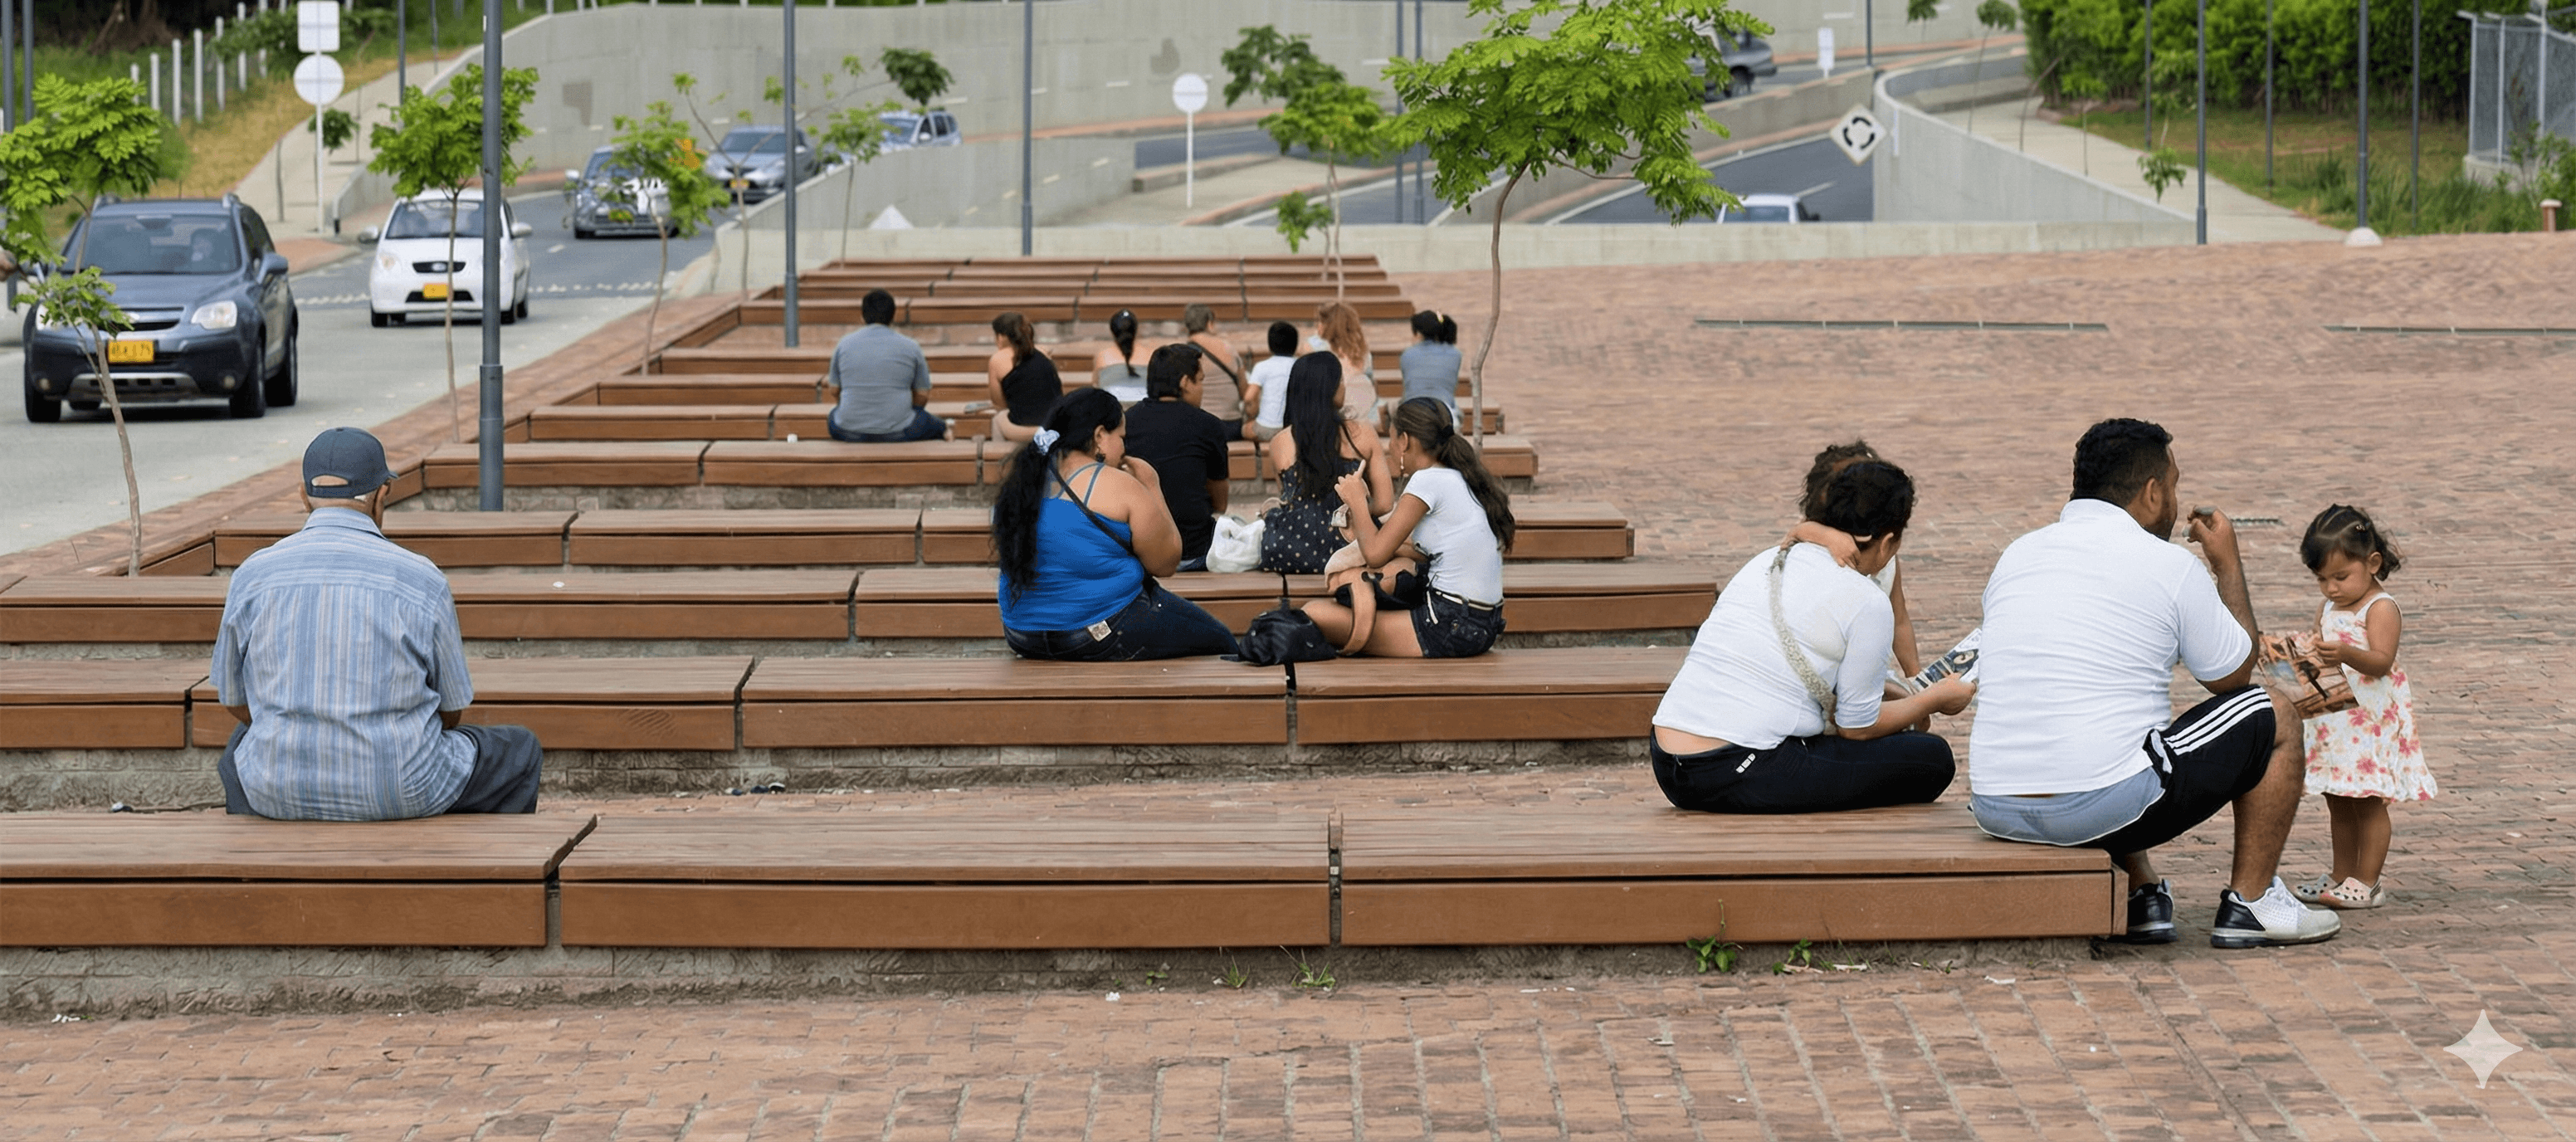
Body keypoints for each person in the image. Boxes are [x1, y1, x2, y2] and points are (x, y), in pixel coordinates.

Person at [1969, 418, 2340, 949]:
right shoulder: (2170, 565)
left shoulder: (2017, 555)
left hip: (1998, 804)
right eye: (2174, 486)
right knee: (2272, 713)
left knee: (2118, 728)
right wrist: (2227, 566)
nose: (2174, 501)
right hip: (2099, 805)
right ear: (2151, 492)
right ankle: (2253, 904)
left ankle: (2142, 897)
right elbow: (2232, 677)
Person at [212, 427, 543, 821]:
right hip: (401, 789)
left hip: (275, 791)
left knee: (240, 749)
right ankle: (479, 876)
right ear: (383, 494)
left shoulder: (253, 574)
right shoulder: (421, 578)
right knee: (519, 750)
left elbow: (234, 701)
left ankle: (254, 871)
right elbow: (452, 711)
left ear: (304, 497)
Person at [1649, 461, 1973, 815]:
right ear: (1889, 541)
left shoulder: (1767, 560)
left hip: (1667, 761)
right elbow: (1858, 728)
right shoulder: (1867, 602)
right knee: (1932, 759)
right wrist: (1934, 699)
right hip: (1737, 770)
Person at [989, 388, 1240, 661]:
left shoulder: (1022, 484)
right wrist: (1152, 485)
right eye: (1121, 437)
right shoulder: (1119, 484)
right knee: (1222, 640)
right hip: (1095, 633)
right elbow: (1165, 563)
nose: (1124, 448)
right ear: (1099, 436)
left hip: (1021, 635)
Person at [2289, 505, 2432, 910]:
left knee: (2368, 800)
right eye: (2321, 580)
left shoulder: (2380, 608)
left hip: (2369, 721)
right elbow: (2326, 649)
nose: (2331, 589)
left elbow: (2382, 660)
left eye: (2340, 577)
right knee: (2339, 798)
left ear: (2372, 563)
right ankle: (2340, 875)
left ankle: (2367, 881)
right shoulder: (2331, 607)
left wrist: (2346, 653)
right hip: (2338, 718)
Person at [1301, 398, 1516, 657]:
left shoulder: (1427, 480)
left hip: (1449, 624)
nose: (1390, 448)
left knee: (1315, 612)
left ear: (1404, 441)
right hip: (1486, 624)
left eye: (1391, 439)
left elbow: (1375, 554)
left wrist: (1357, 501)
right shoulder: (1462, 476)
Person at [1258, 353, 1393, 575]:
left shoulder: (1279, 443)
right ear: (1329, 387)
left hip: (1289, 551)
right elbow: (1385, 503)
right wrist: (1354, 509)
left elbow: (1288, 499)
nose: (1344, 386)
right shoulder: (1362, 433)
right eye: (1340, 380)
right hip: (1347, 549)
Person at [1122, 343, 1232, 570]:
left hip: (1140, 554)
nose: (1202, 388)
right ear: (1184, 382)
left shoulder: (1125, 423)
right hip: (1195, 551)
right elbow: (1220, 503)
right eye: (1200, 381)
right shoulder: (1209, 425)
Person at [827, 288, 946, 442]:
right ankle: (946, 430)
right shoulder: (911, 346)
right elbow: (922, 395)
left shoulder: (843, 344)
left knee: (833, 415)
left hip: (847, 430)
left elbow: (834, 389)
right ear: (892, 316)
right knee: (934, 422)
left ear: (862, 316)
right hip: (900, 431)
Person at [984, 310, 1061, 444]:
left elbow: (1000, 404)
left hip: (1030, 431)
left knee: (998, 419)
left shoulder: (998, 359)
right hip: (1058, 425)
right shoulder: (1043, 353)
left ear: (1001, 337)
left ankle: (1000, 463)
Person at [1182, 303, 1251, 439]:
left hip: (1200, 426)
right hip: (1231, 425)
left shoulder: (1183, 354)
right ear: (1209, 323)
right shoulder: (1228, 348)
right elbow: (1244, 391)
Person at [1316, 300, 1375, 423]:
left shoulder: (1323, 351)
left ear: (1328, 325)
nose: (1317, 325)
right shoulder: (1363, 351)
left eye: (1320, 321)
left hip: (1337, 411)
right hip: (1364, 408)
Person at [1243, 320, 1299, 442]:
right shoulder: (1301, 366)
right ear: (1295, 345)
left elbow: (1248, 397)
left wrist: (1252, 413)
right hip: (1292, 429)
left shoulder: (1262, 366)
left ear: (1270, 344)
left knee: (1245, 429)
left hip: (1266, 428)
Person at [1398, 310, 1462, 416]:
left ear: (1418, 333)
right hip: (1446, 411)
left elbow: (1409, 387)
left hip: (1414, 411)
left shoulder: (1407, 354)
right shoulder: (1455, 354)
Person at [1090, 309, 1149, 405]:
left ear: (1112, 332)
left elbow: (1096, 386)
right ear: (1136, 331)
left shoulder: (1102, 357)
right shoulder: (1150, 355)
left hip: (1112, 411)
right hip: (1143, 411)